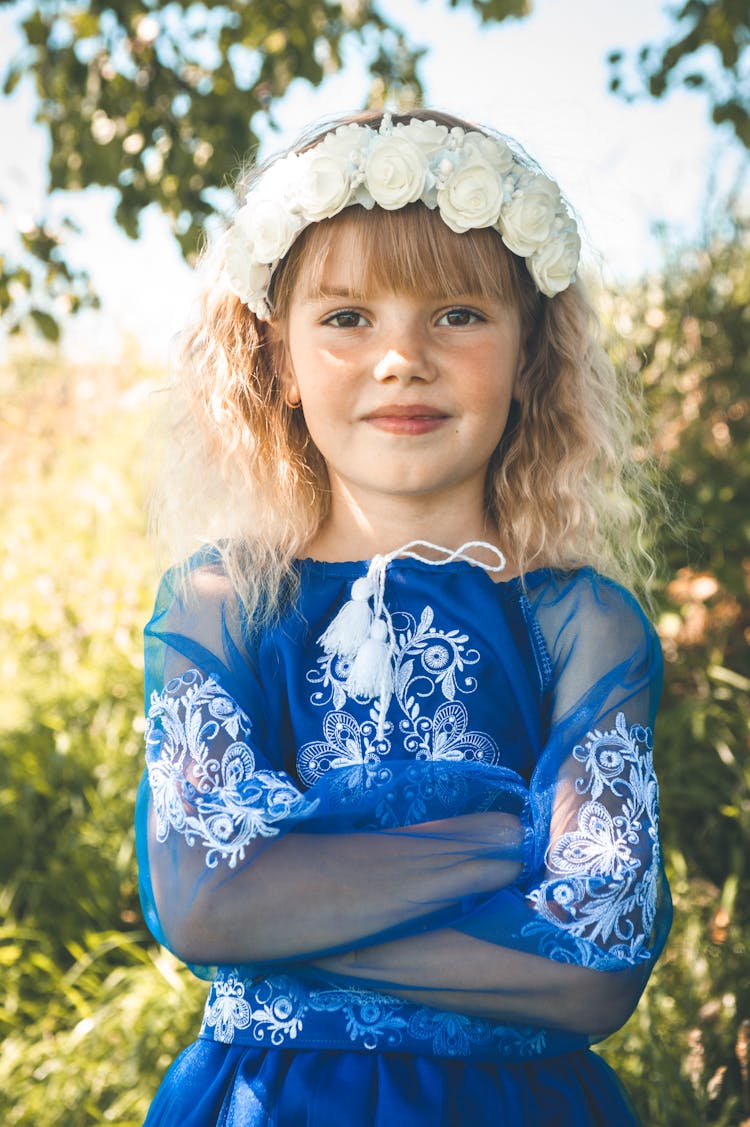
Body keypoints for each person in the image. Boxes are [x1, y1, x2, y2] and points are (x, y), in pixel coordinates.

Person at [136, 108, 672, 1126]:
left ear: (528, 356)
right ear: (281, 363)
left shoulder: (581, 625)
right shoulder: (223, 606)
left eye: (458, 313)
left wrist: (289, 909)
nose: (402, 358)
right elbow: (203, 899)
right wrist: (506, 843)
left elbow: (599, 958)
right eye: (347, 318)